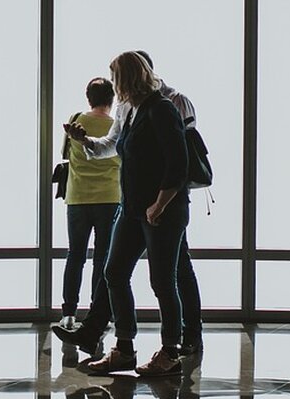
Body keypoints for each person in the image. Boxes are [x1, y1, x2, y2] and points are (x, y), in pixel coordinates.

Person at [61, 50, 205, 356]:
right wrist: (84, 141)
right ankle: (122, 345)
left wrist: (160, 203)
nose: (113, 88)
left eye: (116, 78)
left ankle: (175, 346)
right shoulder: (130, 108)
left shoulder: (166, 106)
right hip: (133, 206)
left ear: (128, 78)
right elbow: (112, 146)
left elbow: (178, 163)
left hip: (162, 207)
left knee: (167, 278)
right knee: (115, 272)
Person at [58, 77, 120, 331]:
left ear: (88, 98)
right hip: (109, 197)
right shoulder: (116, 126)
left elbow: (65, 154)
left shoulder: (76, 120)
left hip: (78, 197)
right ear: (112, 98)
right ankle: (97, 312)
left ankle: (69, 313)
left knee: (76, 256)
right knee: (102, 258)